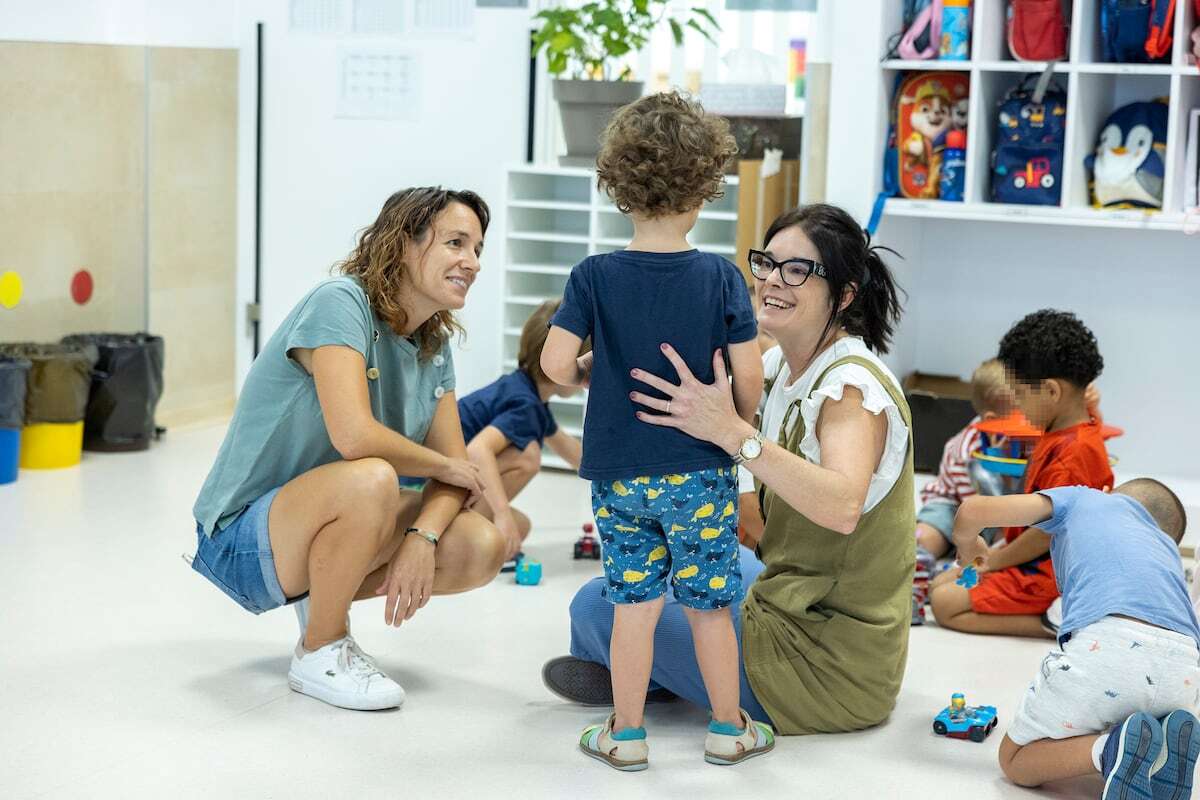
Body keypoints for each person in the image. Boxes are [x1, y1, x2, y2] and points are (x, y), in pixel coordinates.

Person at [541, 201, 914, 742]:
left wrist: (731, 434)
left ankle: (651, 687)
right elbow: (700, 365)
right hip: (789, 597)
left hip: (824, 664)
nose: (771, 282)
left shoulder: (850, 390)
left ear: (846, 295)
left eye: (797, 270)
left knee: (599, 605)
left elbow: (842, 507)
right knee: (679, 567)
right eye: (766, 264)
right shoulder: (784, 364)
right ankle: (666, 676)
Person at [190, 187, 506, 711]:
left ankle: (324, 603)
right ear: (406, 244)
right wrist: (446, 465)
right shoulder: (340, 304)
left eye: (477, 249)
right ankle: (320, 649)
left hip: (331, 519)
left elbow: (454, 479)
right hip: (243, 540)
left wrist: (422, 538)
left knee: (481, 545)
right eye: (456, 243)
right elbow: (354, 436)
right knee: (373, 476)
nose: (471, 262)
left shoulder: (433, 343)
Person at [541, 91, 766, 770]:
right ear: (705, 189)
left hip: (618, 472)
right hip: (698, 469)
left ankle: (627, 735)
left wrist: (589, 371)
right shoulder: (720, 278)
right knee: (708, 604)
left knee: (632, 603)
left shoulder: (593, 276)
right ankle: (728, 729)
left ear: (618, 185)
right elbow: (748, 379)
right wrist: (737, 423)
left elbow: (553, 365)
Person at [950, 481, 1200, 798]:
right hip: (1185, 670)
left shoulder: (1084, 499)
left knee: (1015, 759)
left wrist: (968, 545)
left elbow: (972, 511)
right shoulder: (1167, 553)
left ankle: (1107, 749)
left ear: (1113, 495)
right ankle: (1163, 748)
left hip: (1110, 644)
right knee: (1137, 715)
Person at [930, 309, 1112, 638]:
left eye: (1021, 395)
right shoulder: (1064, 430)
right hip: (1030, 558)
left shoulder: (1073, 453)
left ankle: (1060, 622)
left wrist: (998, 562)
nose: (1017, 406)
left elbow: (1045, 535)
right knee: (941, 582)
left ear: (1052, 392)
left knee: (944, 603)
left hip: (1047, 573)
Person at [457, 299, 583, 567]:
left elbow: (575, 455)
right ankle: (458, 535)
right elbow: (477, 450)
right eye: (584, 364)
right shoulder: (525, 405)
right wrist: (501, 514)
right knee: (527, 456)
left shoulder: (527, 392)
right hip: (428, 483)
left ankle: (466, 529)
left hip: (447, 479)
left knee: (521, 526)